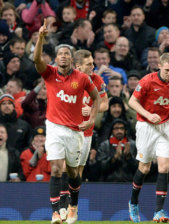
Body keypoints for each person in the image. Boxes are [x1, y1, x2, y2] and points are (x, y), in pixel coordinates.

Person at [33, 19, 100, 224]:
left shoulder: (82, 78)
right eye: (60, 54)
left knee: (72, 172)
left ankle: (72, 206)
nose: (63, 57)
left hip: (75, 130)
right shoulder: (49, 73)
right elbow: (36, 61)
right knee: (55, 168)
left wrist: (91, 120)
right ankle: (55, 212)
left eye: (67, 55)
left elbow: (96, 98)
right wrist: (40, 39)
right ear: (56, 58)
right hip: (53, 127)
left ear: (72, 60)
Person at [128, 53, 169, 223]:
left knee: (164, 166)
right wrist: (147, 114)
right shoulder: (147, 81)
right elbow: (132, 102)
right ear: (159, 66)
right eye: (166, 70)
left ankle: (159, 211)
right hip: (146, 126)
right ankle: (133, 202)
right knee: (144, 168)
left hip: (165, 126)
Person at [58, 49, 108, 221]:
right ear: (78, 66)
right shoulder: (66, 79)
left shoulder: (97, 80)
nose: (93, 66)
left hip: (86, 133)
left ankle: (73, 206)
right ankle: (63, 206)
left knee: (77, 172)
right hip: (67, 130)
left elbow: (105, 104)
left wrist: (92, 108)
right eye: (89, 64)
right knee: (65, 167)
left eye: (93, 63)